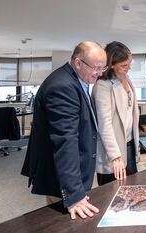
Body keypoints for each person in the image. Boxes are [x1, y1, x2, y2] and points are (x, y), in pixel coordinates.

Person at [21, 41, 107, 220]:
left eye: (103, 68)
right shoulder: (62, 86)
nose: (100, 73)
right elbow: (65, 141)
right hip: (63, 179)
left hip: (77, 173)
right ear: (78, 63)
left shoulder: (77, 79)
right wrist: (74, 195)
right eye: (96, 68)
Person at [92, 41, 139, 185]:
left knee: (133, 187)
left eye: (129, 63)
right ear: (112, 64)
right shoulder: (102, 86)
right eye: (124, 66)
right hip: (113, 150)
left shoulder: (126, 78)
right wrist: (115, 156)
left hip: (129, 143)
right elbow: (104, 124)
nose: (128, 68)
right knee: (114, 192)